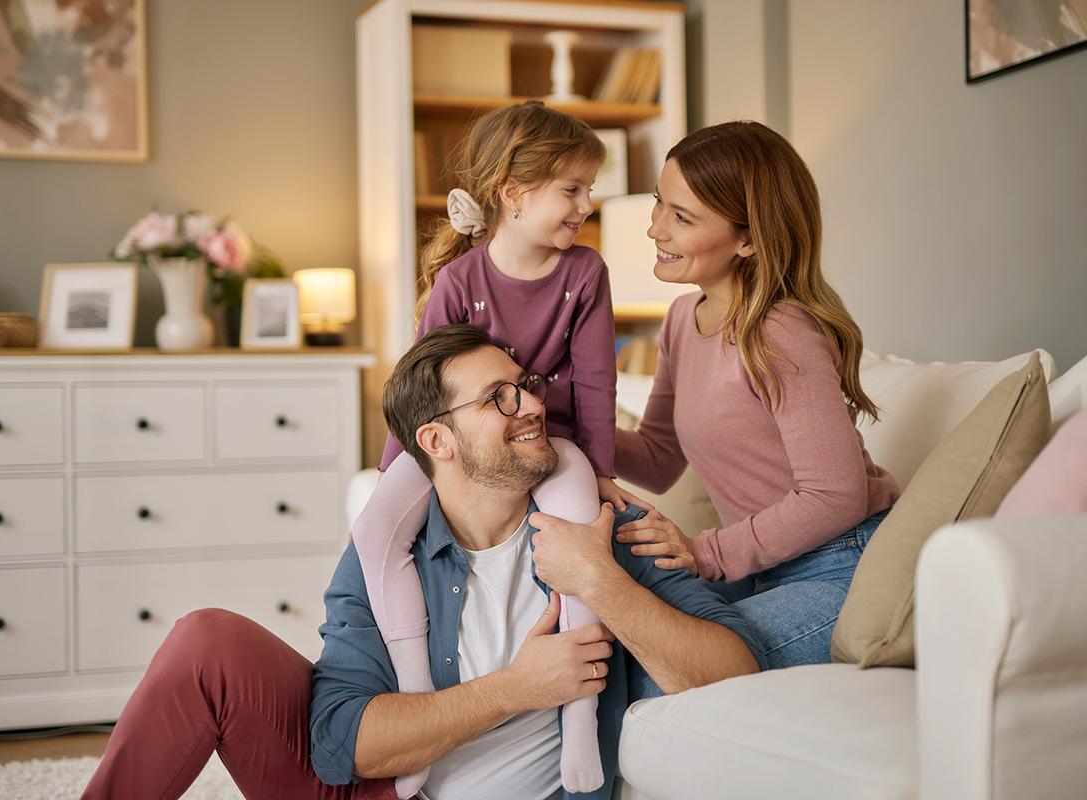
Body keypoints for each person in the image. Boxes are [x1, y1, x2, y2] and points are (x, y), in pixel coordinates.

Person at [80, 324, 764, 800]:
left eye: (523, 385)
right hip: (388, 795)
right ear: (436, 439)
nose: (532, 406)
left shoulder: (606, 530)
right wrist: (516, 689)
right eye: (499, 398)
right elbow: (337, 743)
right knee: (207, 639)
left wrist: (597, 580)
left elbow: (737, 676)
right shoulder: (385, 557)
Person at [351, 100, 631, 795]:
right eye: (572, 188)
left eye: (588, 190)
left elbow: (596, 383)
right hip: (465, 442)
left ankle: (578, 720)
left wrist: (600, 474)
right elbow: (417, 386)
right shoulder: (459, 281)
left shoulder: (585, 274)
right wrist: (401, 478)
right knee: (375, 524)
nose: (585, 205)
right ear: (513, 193)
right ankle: (415, 691)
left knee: (580, 540)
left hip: (552, 445)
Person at [603, 121, 901, 669]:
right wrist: (568, 423)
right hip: (764, 568)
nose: (655, 231)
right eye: (658, 204)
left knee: (653, 672)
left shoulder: (780, 332)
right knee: (611, 650)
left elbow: (836, 496)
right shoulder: (680, 320)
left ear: (749, 239)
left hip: (843, 569)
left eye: (681, 217)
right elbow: (659, 458)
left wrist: (704, 552)